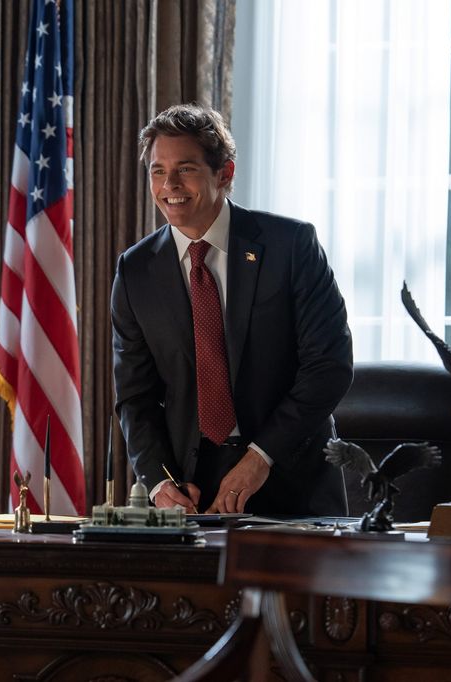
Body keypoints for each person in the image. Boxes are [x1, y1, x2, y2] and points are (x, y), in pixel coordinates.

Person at [111, 104, 353, 516]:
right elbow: (135, 397)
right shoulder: (135, 271)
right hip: (193, 495)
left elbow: (328, 367)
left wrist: (260, 458)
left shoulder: (290, 246)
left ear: (225, 174)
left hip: (292, 479)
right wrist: (159, 483)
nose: (169, 184)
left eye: (185, 168)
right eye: (157, 170)